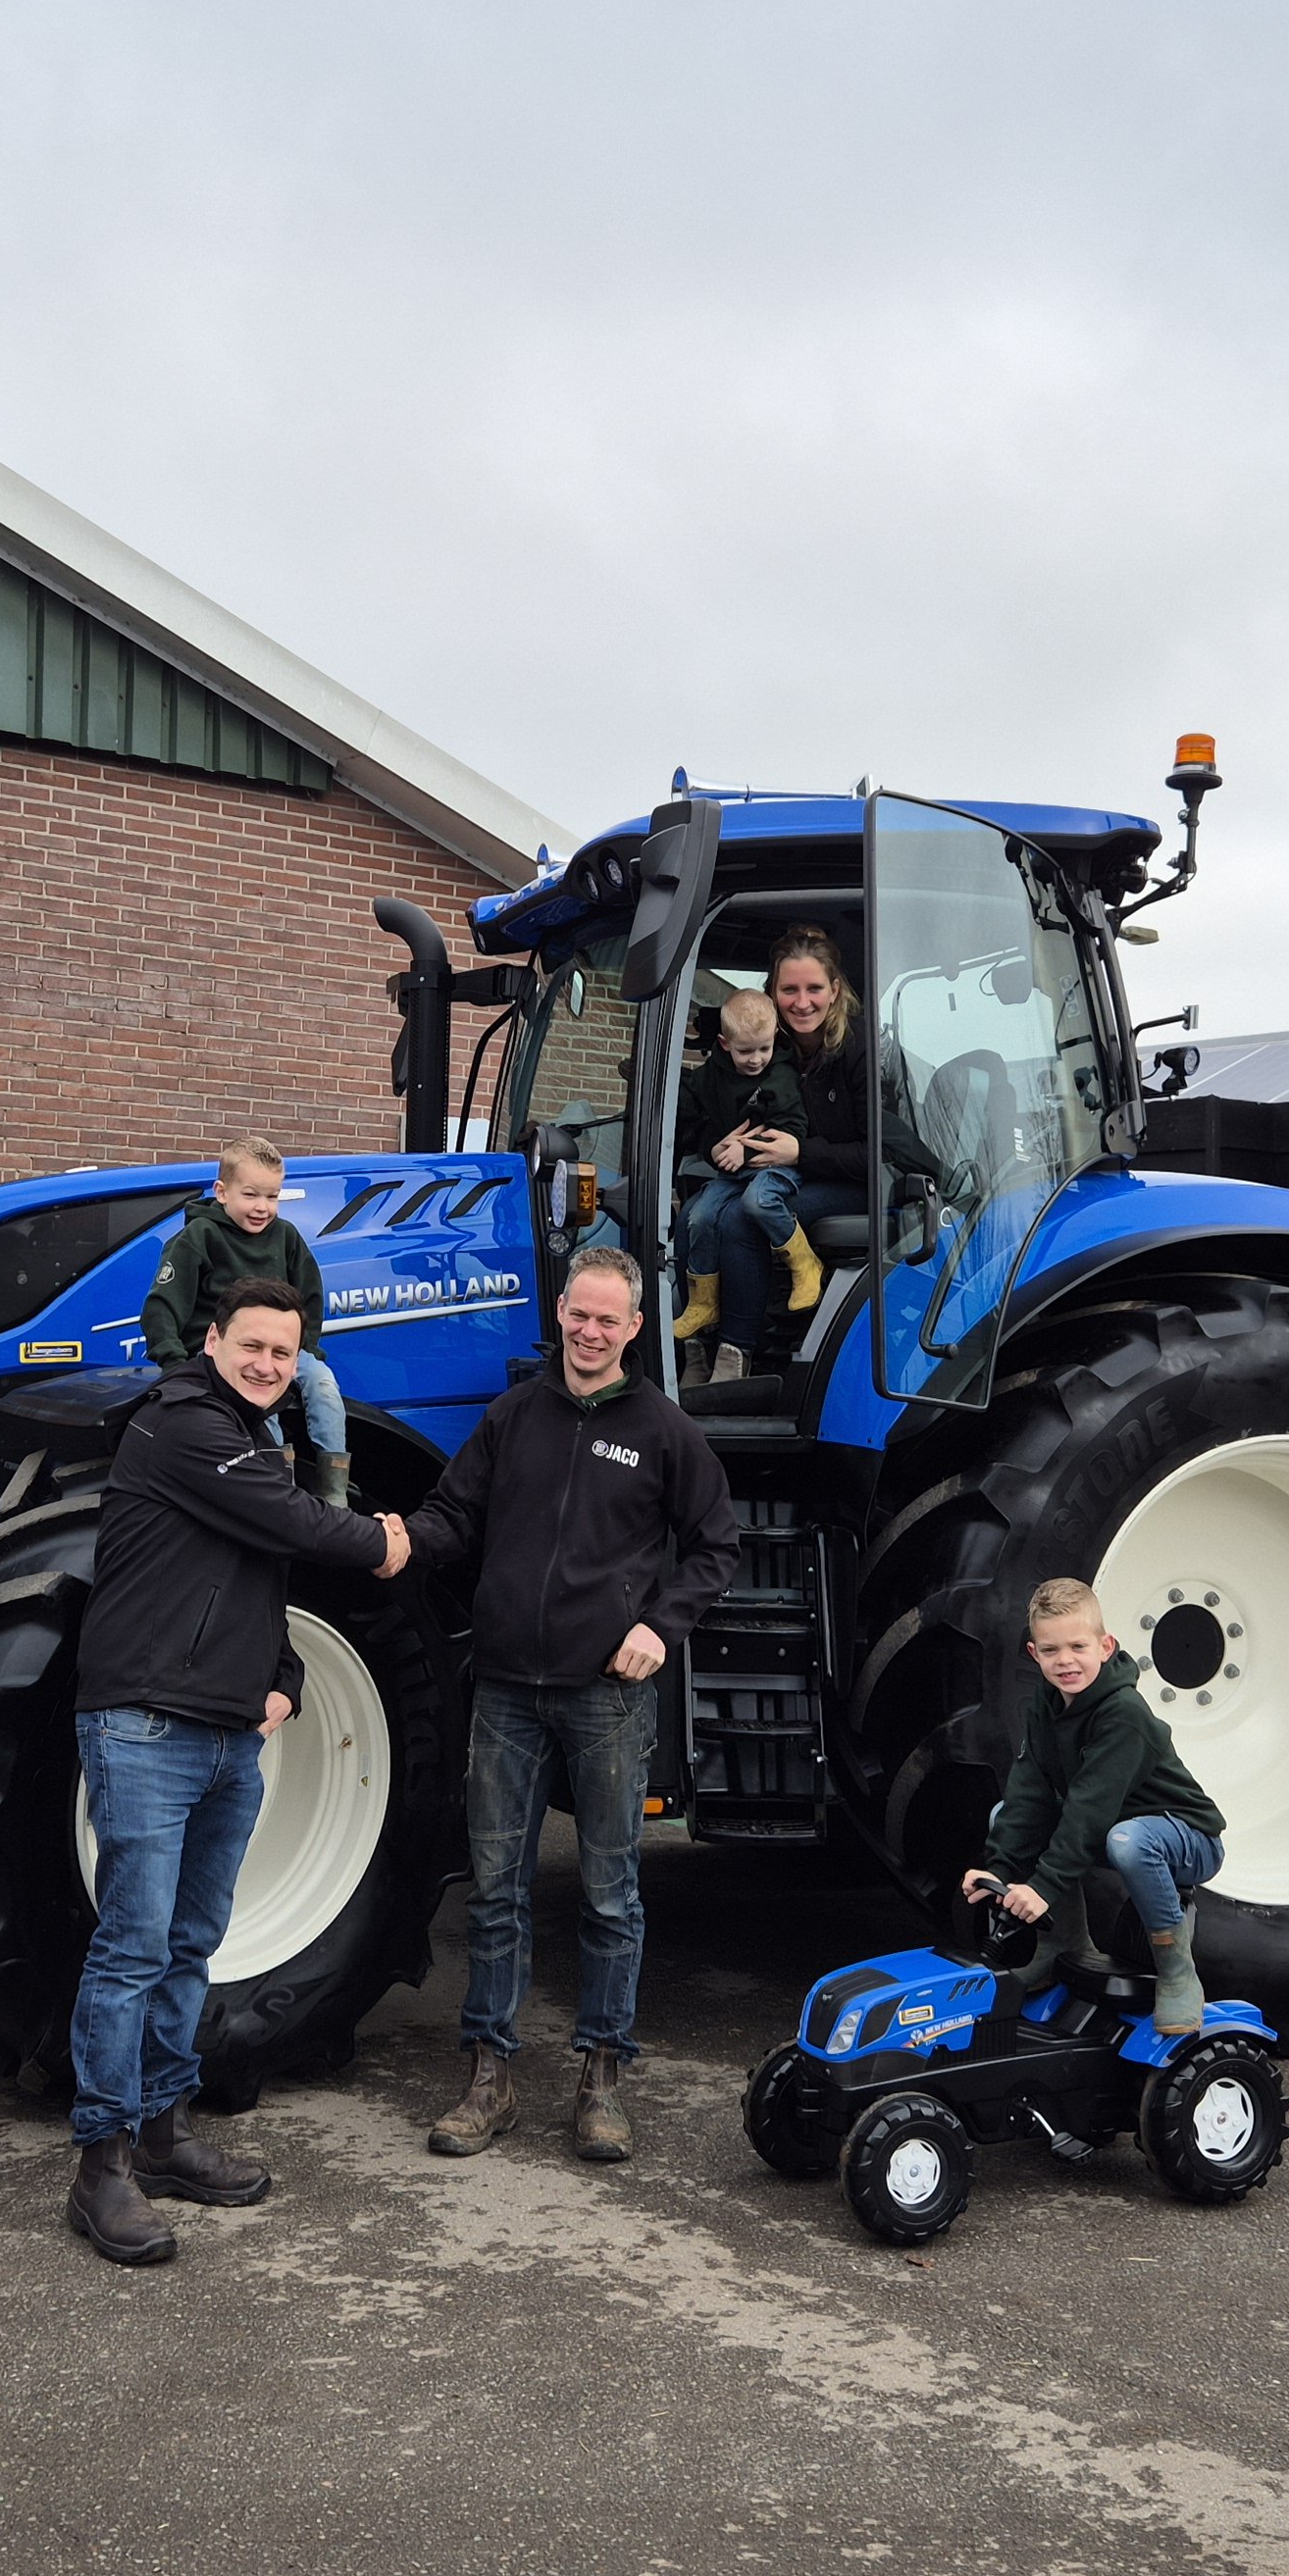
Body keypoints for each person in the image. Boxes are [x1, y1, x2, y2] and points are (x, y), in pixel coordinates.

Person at [65, 1275, 410, 2264]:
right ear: (211, 1341)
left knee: (190, 1946)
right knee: (131, 1950)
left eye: (282, 1353)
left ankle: (164, 2133)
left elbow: (259, 1577)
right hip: (145, 1726)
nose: (265, 1364)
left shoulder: (253, 1437)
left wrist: (286, 1681)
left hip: (227, 1737)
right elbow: (301, 1526)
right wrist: (388, 1539)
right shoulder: (183, 1422)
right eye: (251, 1345)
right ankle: (100, 2167)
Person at [404, 1245, 737, 2163]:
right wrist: (392, 1540)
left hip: (607, 1696)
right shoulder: (512, 1416)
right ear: (560, 1314)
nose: (590, 1333)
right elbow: (452, 1516)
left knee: (609, 1894)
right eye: (578, 1316)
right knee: (495, 1891)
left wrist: (660, 1625)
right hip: (507, 1689)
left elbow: (716, 1546)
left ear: (636, 1327)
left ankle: (602, 2076)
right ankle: (490, 2077)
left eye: (608, 1320)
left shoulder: (666, 1431)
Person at [960, 1576, 1229, 2031]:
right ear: (1034, 1654)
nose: (1065, 1660)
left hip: (1185, 1837)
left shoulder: (1124, 1713)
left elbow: (1089, 1809)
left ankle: (1177, 1972)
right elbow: (1029, 1791)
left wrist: (1042, 1888)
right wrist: (1001, 1869)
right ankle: (1062, 1948)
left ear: (1106, 1647)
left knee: (1129, 1840)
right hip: (1116, 1828)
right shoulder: (1046, 1704)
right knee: (1003, 1814)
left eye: (1078, 1647)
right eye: (1051, 1650)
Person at [142, 1137, 352, 1506]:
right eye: (251, 1195)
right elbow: (161, 1306)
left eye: (272, 1197)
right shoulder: (198, 1237)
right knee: (259, 1399)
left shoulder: (286, 1237)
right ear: (222, 1192)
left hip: (281, 1348)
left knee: (323, 1383)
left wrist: (306, 1350)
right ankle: (279, 1488)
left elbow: (310, 1295)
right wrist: (174, 1364)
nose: (262, 1207)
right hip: (224, 1355)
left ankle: (335, 1491)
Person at [705, 924, 867, 1372]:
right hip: (787, 1174)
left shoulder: (860, 1051)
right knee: (705, 1213)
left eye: (814, 988)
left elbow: (876, 1155)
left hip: (856, 1180)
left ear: (834, 991)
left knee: (743, 1216)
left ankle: (736, 1356)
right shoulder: (765, 1050)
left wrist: (801, 1153)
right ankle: (707, 1344)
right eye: (789, 990)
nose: (802, 1002)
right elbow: (722, 1116)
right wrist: (718, 1144)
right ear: (772, 995)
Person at [666, 987, 807, 1369]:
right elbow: (699, 1122)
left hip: (773, 1168)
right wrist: (714, 1147)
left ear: (775, 1036)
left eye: (763, 1049)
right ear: (725, 1044)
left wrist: (745, 1149)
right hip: (732, 1171)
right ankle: (702, 1307)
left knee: (745, 1212)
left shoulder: (780, 1075)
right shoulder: (711, 1077)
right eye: (746, 1051)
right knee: (696, 1216)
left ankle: (801, 1270)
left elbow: (790, 1127)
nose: (756, 1059)